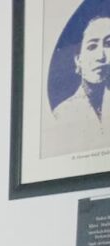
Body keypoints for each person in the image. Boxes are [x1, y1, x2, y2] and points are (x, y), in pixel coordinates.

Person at [51, 15, 110, 154]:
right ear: (78, 59)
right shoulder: (62, 114)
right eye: (92, 46)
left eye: (108, 44)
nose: (101, 56)